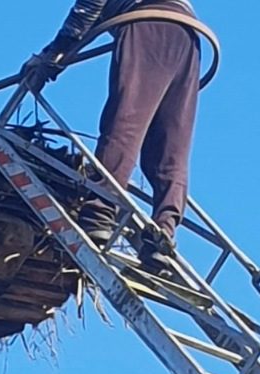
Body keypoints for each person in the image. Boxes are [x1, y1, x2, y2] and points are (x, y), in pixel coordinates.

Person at [22, 0, 200, 261]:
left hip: (149, 23)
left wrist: (53, 53)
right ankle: (164, 231)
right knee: (170, 147)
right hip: (188, 37)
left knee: (125, 125)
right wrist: (54, 59)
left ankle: (100, 212)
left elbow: (89, 6)